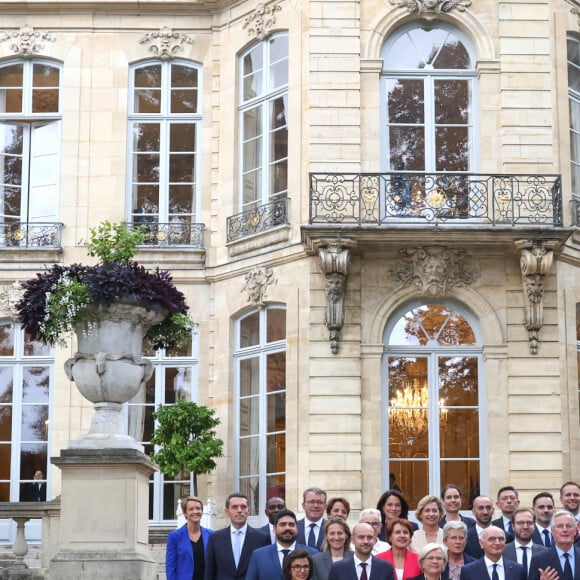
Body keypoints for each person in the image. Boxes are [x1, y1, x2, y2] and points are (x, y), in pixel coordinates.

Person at [204, 493, 269, 580]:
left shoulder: (262, 538)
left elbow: (265, 571)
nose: (239, 510)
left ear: (248, 511)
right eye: (234, 507)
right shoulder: (215, 538)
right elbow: (209, 572)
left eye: (243, 507)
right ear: (227, 511)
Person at [246, 509, 318, 580]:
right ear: (274, 529)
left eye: (291, 524)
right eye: (283, 524)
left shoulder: (313, 554)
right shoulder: (259, 555)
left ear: (297, 528)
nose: (287, 528)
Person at [328, 522, 395, 580]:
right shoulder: (338, 568)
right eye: (361, 537)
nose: (366, 541)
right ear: (352, 540)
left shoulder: (386, 568)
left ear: (374, 540)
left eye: (369, 537)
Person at [166, 496, 212, 580]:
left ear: (202, 511)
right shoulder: (174, 536)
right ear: (184, 513)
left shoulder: (211, 535)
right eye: (191, 509)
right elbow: (171, 566)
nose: (195, 511)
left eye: (198, 508)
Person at [528, 510, 580, 580]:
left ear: (575, 530)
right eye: (560, 526)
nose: (565, 530)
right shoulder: (539, 560)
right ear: (552, 531)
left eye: (568, 526)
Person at [459, 526, 526, 580]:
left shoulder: (518, 570)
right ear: (481, 543)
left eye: (501, 539)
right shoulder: (469, 571)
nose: (497, 543)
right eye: (491, 539)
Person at [502, 508, 549, 576]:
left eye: (529, 523)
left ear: (534, 525)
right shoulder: (502, 551)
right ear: (513, 526)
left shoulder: (545, 553)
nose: (525, 527)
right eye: (520, 523)